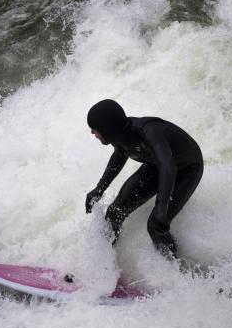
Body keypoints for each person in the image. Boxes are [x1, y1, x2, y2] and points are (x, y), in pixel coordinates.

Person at [85, 99, 203, 258]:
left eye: (95, 129)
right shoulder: (119, 136)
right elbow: (119, 155)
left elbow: (168, 166)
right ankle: (101, 261)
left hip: (186, 170)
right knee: (115, 212)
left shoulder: (149, 132)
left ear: (109, 129)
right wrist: (100, 188)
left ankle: (176, 271)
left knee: (155, 224)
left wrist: (162, 205)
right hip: (157, 166)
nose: (93, 132)